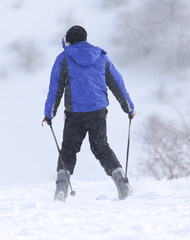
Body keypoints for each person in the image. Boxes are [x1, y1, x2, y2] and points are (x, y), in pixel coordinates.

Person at [43, 25, 136, 202]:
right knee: (101, 148)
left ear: (68, 41)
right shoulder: (101, 57)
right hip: (98, 112)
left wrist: (49, 113)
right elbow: (118, 84)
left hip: (75, 113)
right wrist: (129, 108)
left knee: (68, 150)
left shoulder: (63, 58)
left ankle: (61, 190)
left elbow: (55, 89)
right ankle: (122, 184)